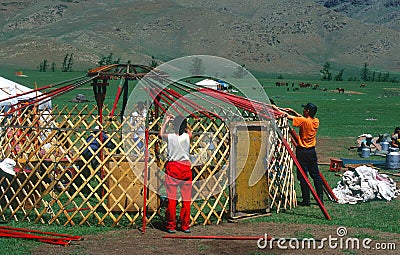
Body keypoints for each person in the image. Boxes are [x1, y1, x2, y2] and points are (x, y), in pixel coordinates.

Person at [274, 103, 324, 206]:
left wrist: (274, 108)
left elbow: (286, 116)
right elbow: (302, 118)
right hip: (312, 151)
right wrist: (293, 111)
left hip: (302, 152)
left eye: (305, 109)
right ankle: (320, 199)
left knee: (303, 176)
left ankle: (306, 200)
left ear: (308, 111)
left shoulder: (303, 121)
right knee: (315, 175)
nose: (303, 111)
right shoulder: (316, 121)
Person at [159, 114, 192, 233]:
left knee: (172, 198)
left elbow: (160, 134)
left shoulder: (171, 137)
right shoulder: (187, 136)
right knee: (186, 198)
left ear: (174, 126)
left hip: (173, 167)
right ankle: (185, 226)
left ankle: (171, 225)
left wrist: (167, 121)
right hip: (185, 167)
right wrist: (183, 123)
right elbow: (188, 130)